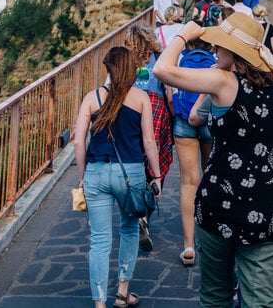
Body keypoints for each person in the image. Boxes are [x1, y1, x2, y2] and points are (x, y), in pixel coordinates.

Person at [153, 14, 273, 308]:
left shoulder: (223, 82)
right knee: (260, 301)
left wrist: (184, 35)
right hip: (265, 212)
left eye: (219, 46)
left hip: (218, 208)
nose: (214, 51)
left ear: (233, 52)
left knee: (215, 297)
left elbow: (162, 69)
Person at [73, 46, 162, 308]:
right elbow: (148, 141)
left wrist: (82, 176)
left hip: (96, 173)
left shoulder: (92, 98)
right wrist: (155, 176)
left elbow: (79, 142)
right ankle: (123, 293)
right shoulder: (141, 98)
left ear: (108, 69)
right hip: (130, 175)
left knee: (99, 240)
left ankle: (99, 303)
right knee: (129, 230)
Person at [124, 22, 174, 252]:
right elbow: (168, 91)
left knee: (135, 159)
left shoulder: (126, 61)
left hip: (132, 107)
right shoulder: (159, 57)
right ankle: (146, 214)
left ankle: (137, 215)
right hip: (156, 110)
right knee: (157, 161)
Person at [171, 39, 216, 266]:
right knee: (211, 177)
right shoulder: (214, 63)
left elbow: (171, 94)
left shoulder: (178, 61)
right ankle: (210, 237)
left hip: (183, 121)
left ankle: (188, 246)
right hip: (209, 120)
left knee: (189, 183)